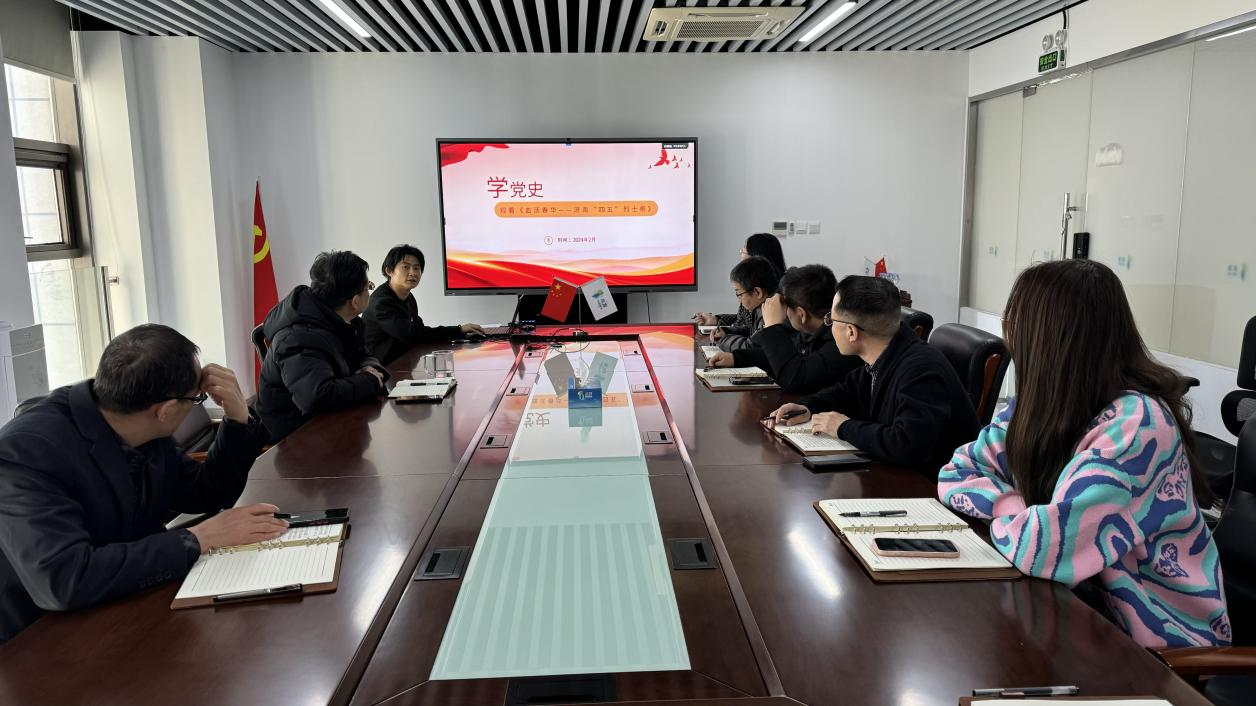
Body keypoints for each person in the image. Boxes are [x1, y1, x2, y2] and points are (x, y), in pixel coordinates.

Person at [938, 260, 1229, 649]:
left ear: (1051, 336)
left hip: (1155, 645)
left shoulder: (1138, 426)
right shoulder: (1041, 403)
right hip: (1079, 612)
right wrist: (1013, 505)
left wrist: (1006, 509)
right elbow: (957, 472)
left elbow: (1041, 547)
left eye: (1018, 322)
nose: (1011, 334)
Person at [0, 324, 285, 644]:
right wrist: (196, 539)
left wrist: (237, 419)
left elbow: (205, 491)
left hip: (128, 606)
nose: (199, 402)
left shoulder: (133, 416)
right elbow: (65, 579)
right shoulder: (24, 453)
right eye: (198, 397)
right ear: (165, 411)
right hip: (40, 640)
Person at [766, 275, 978, 470]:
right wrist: (808, 407)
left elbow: (908, 444)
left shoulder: (920, 369)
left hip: (935, 486)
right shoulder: (889, 350)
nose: (829, 326)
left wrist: (843, 427)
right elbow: (847, 391)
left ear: (851, 332)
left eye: (831, 320)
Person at [257, 250, 390, 442]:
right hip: (296, 439)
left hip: (331, 423)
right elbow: (318, 396)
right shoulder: (297, 338)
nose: (370, 291)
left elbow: (363, 355)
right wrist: (369, 381)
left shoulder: (342, 322)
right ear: (355, 301)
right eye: (368, 287)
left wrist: (370, 369)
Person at [707, 264, 860, 394]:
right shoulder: (812, 331)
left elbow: (795, 379)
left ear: (801, 314)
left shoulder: (840, 343)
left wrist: (773, 327)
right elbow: (784, 356)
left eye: (786, 307)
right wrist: (736, 358)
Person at [364, 245, 485, 365]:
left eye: (417, 268)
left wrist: (460, 333)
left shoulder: (408, 297)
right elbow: (412, 334)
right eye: (406, 267)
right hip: (382, 369)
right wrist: (458, 330)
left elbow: (420, 329)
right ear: (389, 271)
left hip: (404, 363)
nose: (413, 273)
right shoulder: (382, 303)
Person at [693, 232, 786, 332]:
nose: (740, 254)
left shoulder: (773, 295)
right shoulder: (751, 283)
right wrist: (716, 320)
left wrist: (726, 334)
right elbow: (743, 321)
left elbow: (751, 331)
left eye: (743, 251)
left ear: (757, 258)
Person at [713, 256, 781, 352]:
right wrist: (727, 331)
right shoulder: (762, 305)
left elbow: (752, 348)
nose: (739, 301)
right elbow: (752, 331)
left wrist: (722, 340)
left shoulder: (774, 309)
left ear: (758, 292)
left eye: (739, 294)